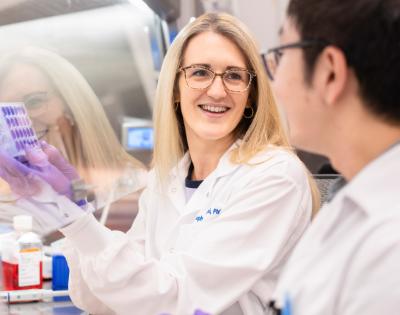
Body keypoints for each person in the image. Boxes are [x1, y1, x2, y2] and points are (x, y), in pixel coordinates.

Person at [0, 13, 319, 314]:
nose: (217, 90)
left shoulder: (274, 175)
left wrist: (75, 218)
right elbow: (101, 299)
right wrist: (69, 209)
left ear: (251, 94)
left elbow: (177, 299)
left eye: (234, 76)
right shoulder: (165, 180)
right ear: (176, 89)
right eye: (200, 73)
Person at [263, 0, 400, 314]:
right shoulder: (350, 198)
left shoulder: (391, 251)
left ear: (329, 73)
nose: (277, 83)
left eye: (282, 55)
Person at [0, 47, 146, 233]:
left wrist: (75, 199)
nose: (23, 120)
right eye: (8, 112)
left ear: (72, 104)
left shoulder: (132, 182)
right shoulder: (8, 202)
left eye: (34, 102)